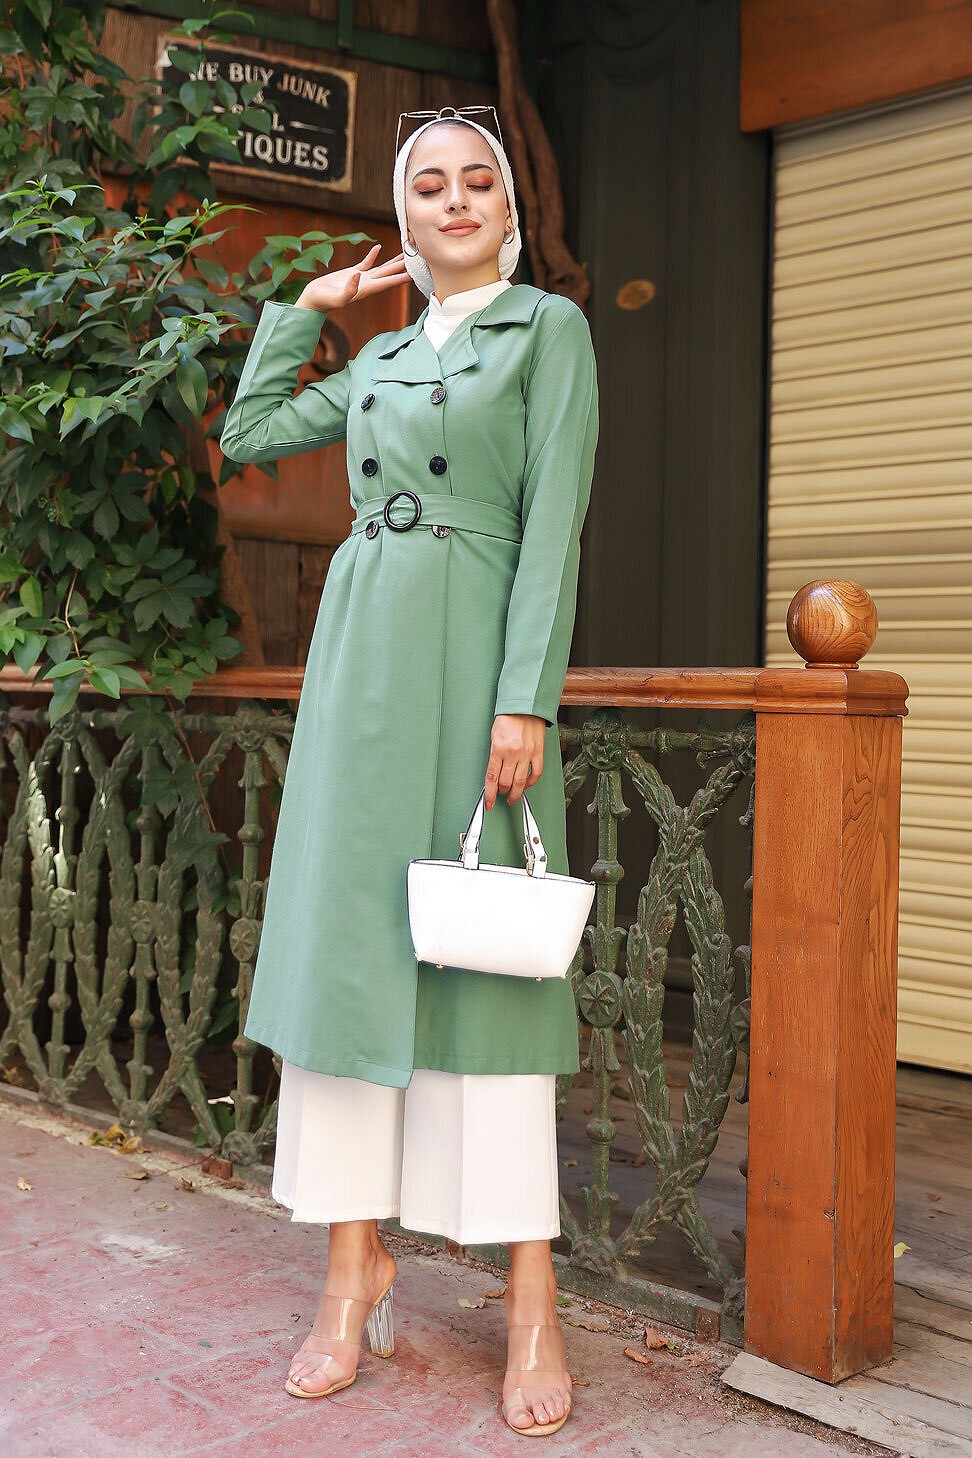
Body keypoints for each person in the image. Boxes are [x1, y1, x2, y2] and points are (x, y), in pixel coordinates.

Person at [219, 104, 599, 1438]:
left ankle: (532, 1296)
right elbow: (252, 434)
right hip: (362, 664)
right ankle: (351, 1270)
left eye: (478, 180)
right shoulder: (378, 355)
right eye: (429, 185)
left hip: (477, 657)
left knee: (486, 968)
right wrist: (305, 307)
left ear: (507, 209)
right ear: (404, 217)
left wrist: (523, 697)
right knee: (349, 951)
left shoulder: (548, 331)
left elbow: (554, 521)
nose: (455, 200)